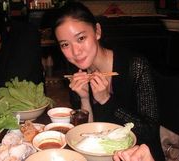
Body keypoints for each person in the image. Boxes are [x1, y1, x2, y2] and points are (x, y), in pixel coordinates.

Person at [53, 2, 164, 160]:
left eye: (81, 38)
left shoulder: (135, 65)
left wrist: (106, 100)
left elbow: (149, 132)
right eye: (65, 44)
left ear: (97, 31)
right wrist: (84, 99)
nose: (75, 52)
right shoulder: (77, 74)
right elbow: (85, 136)